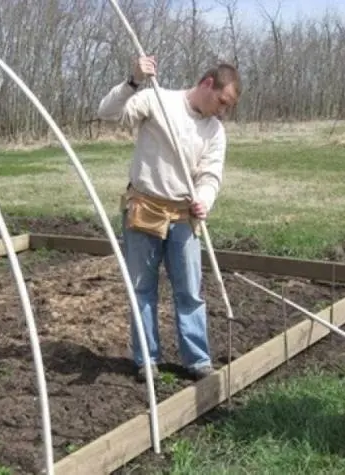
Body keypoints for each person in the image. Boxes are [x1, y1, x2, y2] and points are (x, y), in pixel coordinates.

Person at [97, 57, 241, 382]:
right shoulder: (157, 99)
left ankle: (197, 360)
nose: (222, 111)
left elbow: (210, 175)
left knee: (190, 291)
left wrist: (204, 200)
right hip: (144, 208)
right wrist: (134, 80)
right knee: (142, 288)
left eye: (227, 106)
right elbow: (107, 113)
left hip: (183, 217)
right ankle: (147, 360)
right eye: (222, 101)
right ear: (207, 84)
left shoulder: (214, 130)